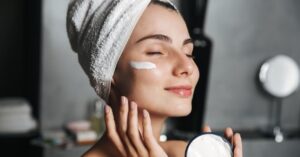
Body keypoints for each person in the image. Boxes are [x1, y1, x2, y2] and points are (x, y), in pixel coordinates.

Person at [66, 0, 243, 157]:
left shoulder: (186, 152)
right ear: (108, 71)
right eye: (156, 52)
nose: (187, 67)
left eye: (189, 53)